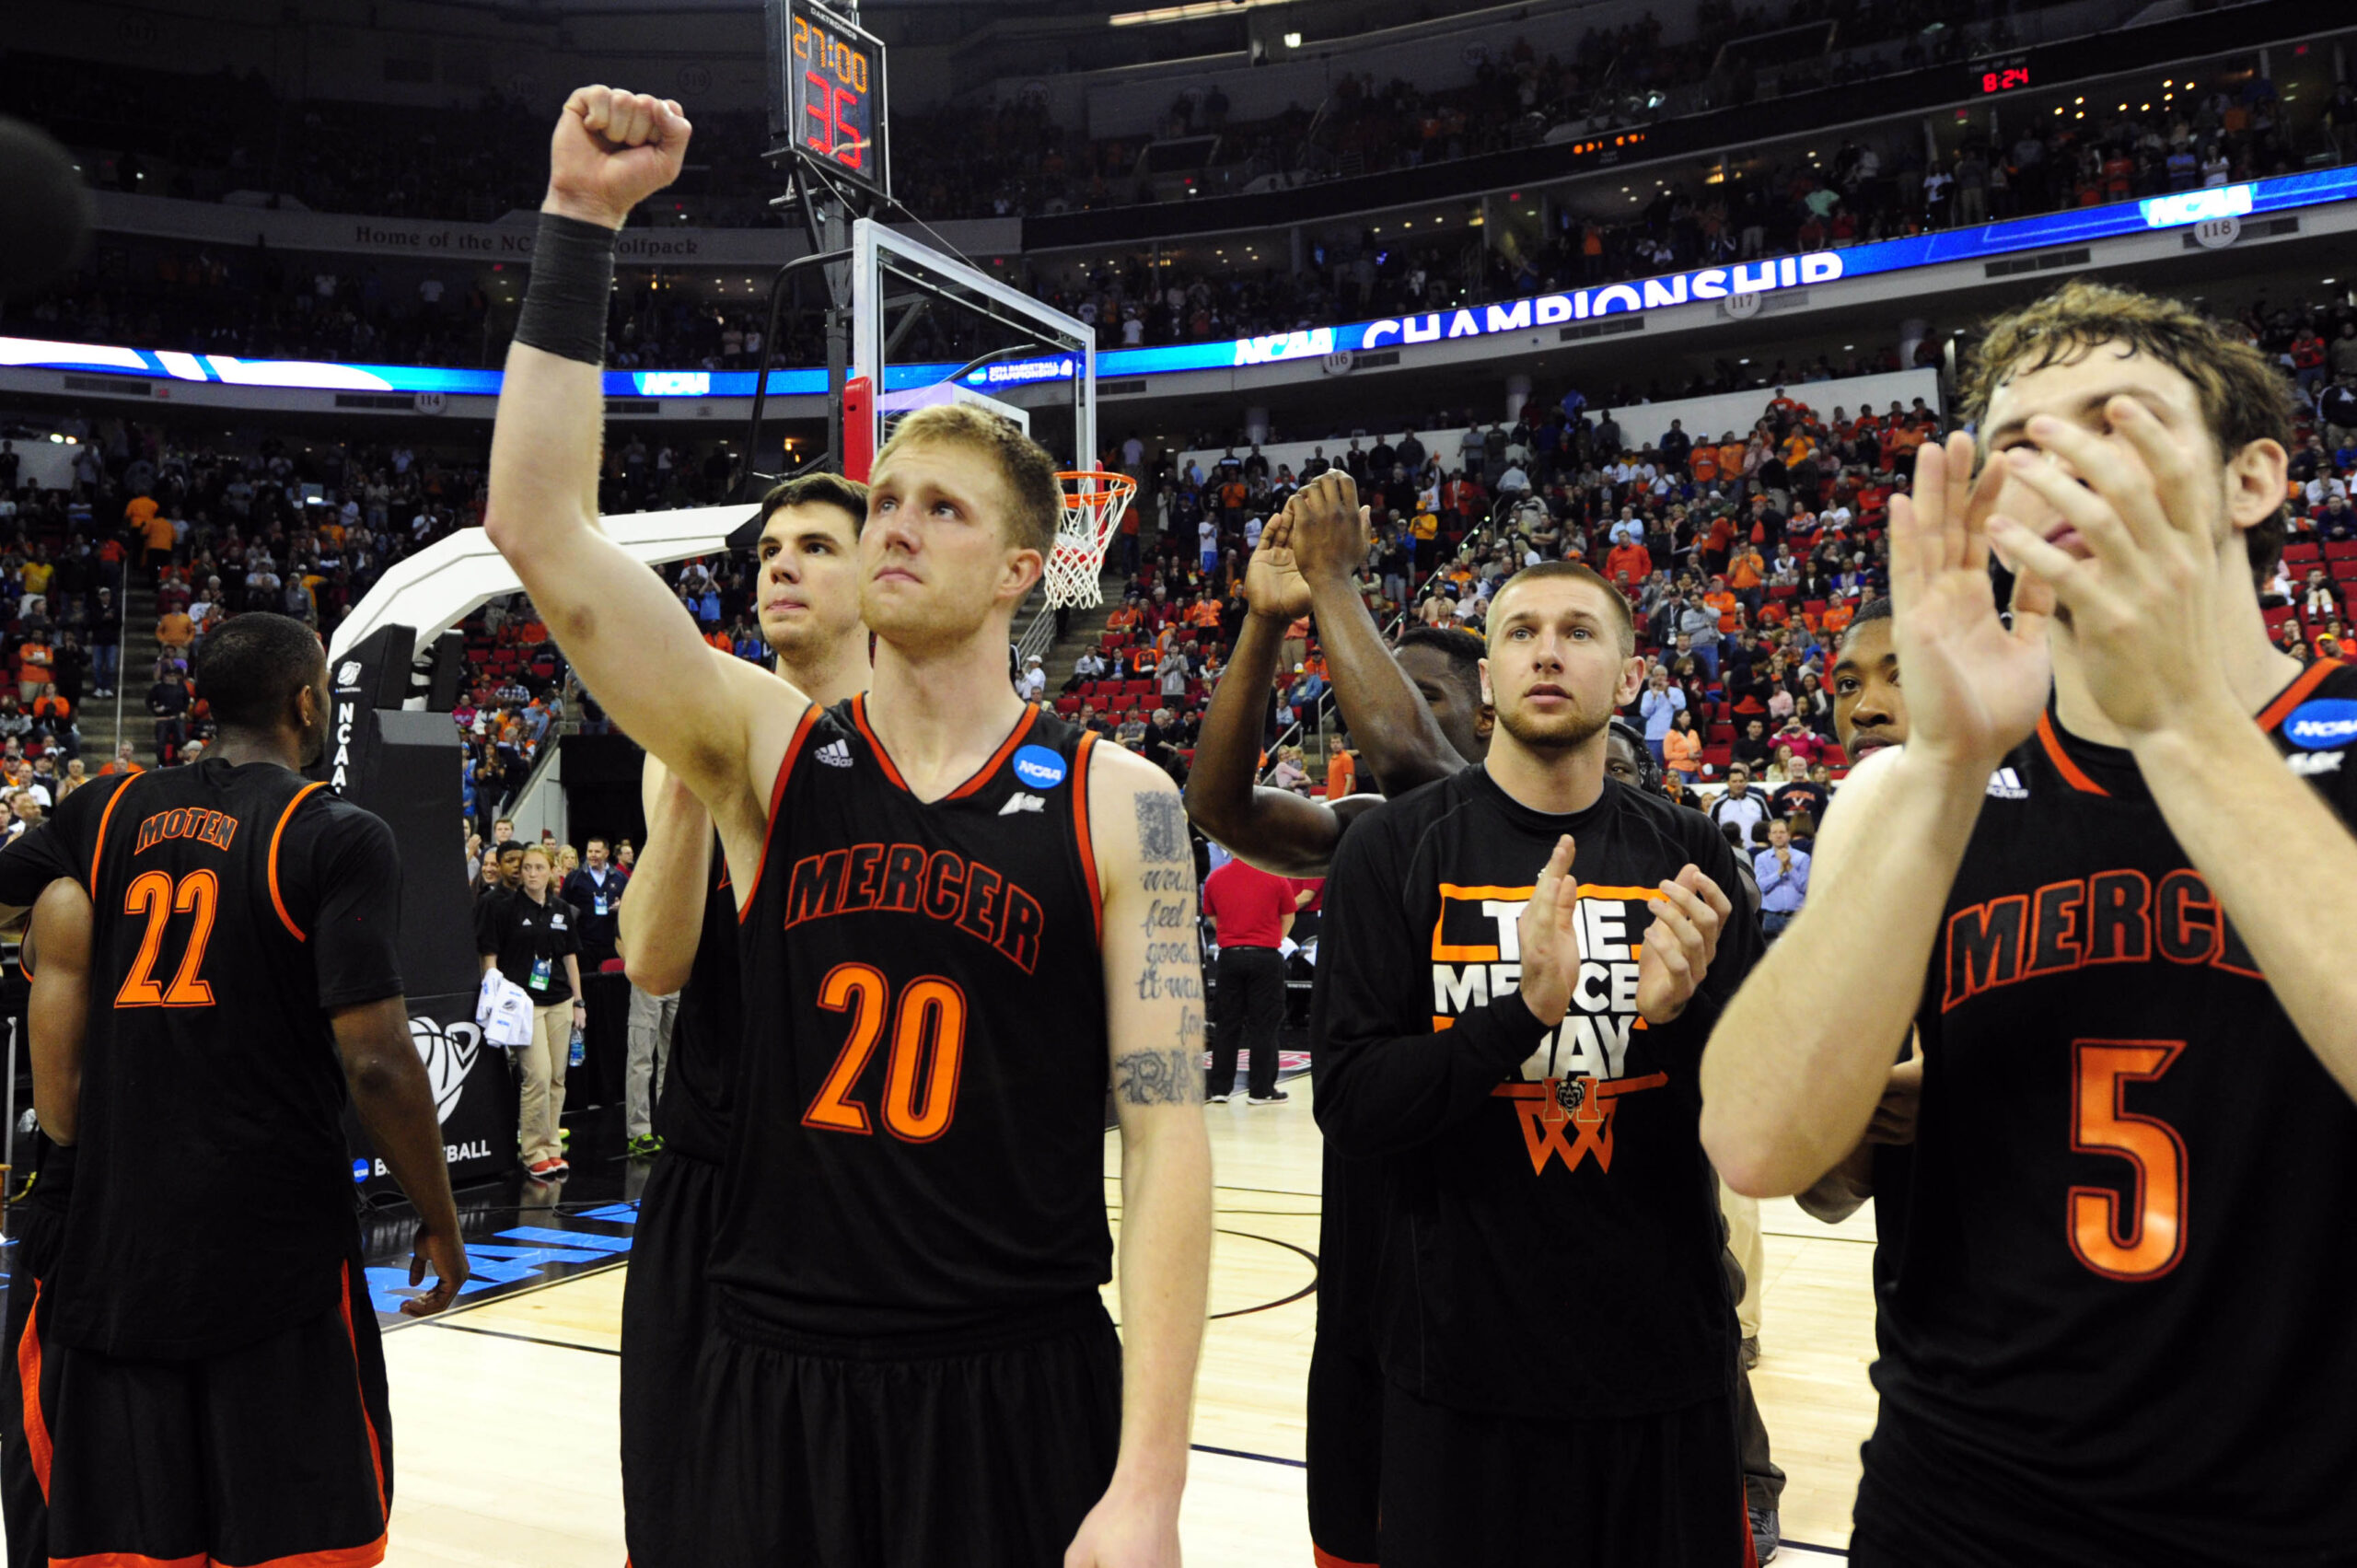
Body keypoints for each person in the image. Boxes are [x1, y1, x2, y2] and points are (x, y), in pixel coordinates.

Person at [483, 84, 1211, 1565]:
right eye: (883, 498)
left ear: (1024, 568)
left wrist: (1151, 1482)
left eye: (938, 508)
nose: (891, 524)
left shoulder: (1118, 803)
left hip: (1017, 1373)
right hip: (779, 1363)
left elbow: (1171, 1139)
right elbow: (542, 532)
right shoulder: (767, 747)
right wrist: (580, 224)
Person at [1704, 279, 2357, 1563]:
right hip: (1964, 1504)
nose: (2062, 470)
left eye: (2116, 424)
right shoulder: (1915, 782)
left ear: (2253, 479)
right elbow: (1759, 1142)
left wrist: (2179, 719)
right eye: (2018, 445)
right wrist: (1946, 769)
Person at [1312, 559, 1757, 1566]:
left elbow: (1750, 1131)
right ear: (1486, 686)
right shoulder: (1391, 850)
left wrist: (1684, 1017)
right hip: (1456, 1371)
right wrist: (1520, 1012)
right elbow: (1350, 1101)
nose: (1547, 650)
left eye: (1578, 631)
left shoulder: (1690, 853)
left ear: (1631, 675)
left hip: (1663, 1367)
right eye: (1520, 632)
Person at [0, 613, 466, 1568]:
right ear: (306, 702)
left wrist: (64, 922)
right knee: (293, 1537)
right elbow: (375, 1059)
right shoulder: (334, 832)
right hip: (273, 1239)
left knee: (142, 1538)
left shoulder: (108, 808)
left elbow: (17, 891)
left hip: (119, 1230)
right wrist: (438, 1212)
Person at [1182, 474, 1489, 1568]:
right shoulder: (1369, 829)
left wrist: (1335, 583)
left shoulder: (1527, 813)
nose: (1372, 705)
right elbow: (1217, 807)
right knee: (1364, 1505)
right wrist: (1266, 627)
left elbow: (1417, 755)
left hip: (1520, 1206)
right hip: (1378, 1210)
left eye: (1422, 691)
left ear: (1485, 711)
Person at [615, 469, 874, 1557]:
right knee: (679, 1508)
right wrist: (688, 781)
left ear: (879, 572)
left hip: (855, 1191)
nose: (782, 562)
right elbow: (653, 963)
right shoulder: (685, 739)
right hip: (709, 1175)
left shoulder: (903, 755)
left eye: (817, 545)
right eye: (772, 547)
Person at [476, 843, 583, 1179]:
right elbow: (489, 955)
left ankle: (552, 1146)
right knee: (536, 1075)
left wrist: (579, 1002)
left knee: (556, 1078)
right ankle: (533, 1150)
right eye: (528, 869)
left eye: (540, 868)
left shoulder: (562, 909)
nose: (533, 874)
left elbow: (570, 958)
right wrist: (491, 996)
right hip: (524, 1005)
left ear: (552, 871)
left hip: (561, 1001)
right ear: (520, 874)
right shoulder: (505, 908)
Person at [1200, 854, 1293, 1104]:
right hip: (1265, 956)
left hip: (1229, 956)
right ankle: (1261, 1090)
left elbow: (1211, 915)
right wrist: (1271, 940)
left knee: (1227, 1024)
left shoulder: (1215, 878)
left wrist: (1233, 935)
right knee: (1265, 1024)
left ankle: (1219, 1088)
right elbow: (1288, 916)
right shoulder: (1276, 877)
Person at [1752, 819, 1808, 939]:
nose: (1778, 836)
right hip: (1772, 918)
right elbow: (1761, 886)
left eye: (1782, 832)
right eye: (1774, 832)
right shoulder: (1761, 859)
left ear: (1788, 835)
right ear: (1769, 836)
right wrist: (1780, 872)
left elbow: (1805, 887)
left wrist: (1789, 867)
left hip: (1797, 916)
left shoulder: (1802, 858)